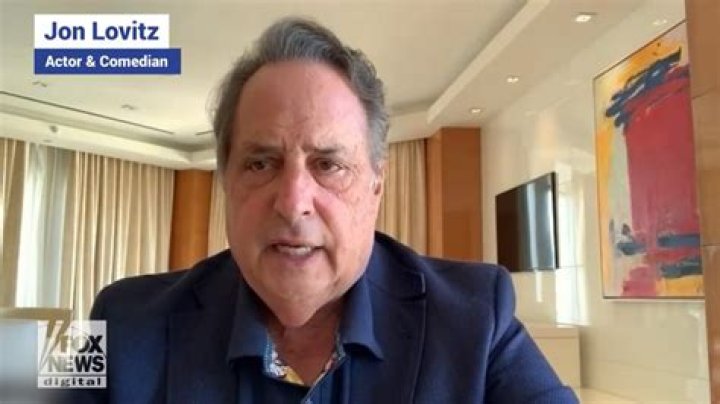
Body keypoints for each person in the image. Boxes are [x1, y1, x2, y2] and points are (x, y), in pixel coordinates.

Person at [73, 17, 578, 403]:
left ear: (376, 185)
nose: (293, 203)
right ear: (226, 179)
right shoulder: (118, 317)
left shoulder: (478, 315)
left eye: (329, 165)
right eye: (261, 163)